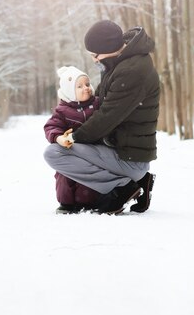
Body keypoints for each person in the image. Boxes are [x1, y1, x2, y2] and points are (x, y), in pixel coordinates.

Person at [43, 20, 159, 214]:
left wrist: (72, 138)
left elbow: (106, 117)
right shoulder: (120, 63)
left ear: (108, 48)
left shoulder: (131, 71)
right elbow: (100, 103)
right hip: (123, 152)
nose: (95, 60)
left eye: (95, 55)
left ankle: (122, 187)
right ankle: (135, 182)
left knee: (54, 153)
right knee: (59, 149)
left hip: (128, 158)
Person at [44, 66, 101, 214]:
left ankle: (87, 202)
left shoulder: (97, 104)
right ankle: (66, 203)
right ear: (69, 91)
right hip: (70, 149)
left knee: (87, 175)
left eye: (87, 84)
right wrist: (59, 138)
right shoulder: (62, 110)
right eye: (80, 86)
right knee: (65, 175)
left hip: (91, 151)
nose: (86, 88)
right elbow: (51, 126)